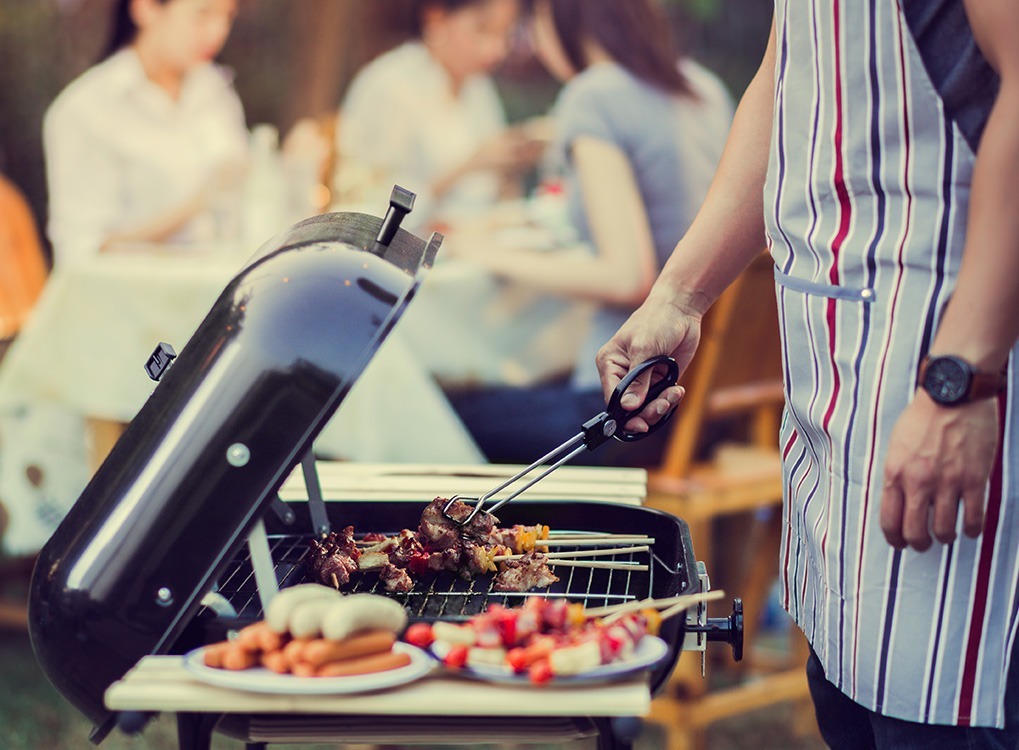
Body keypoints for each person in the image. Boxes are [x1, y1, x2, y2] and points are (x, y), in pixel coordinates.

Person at [597, 1, 1019, 746]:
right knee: (846, 698)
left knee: (934, 716)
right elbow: (786, 74)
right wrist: (679, 294)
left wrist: (963, 377)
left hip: (943, 360)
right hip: (836, 387)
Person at [444, 0, 733, 466]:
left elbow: (627, 276)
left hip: (624, 409)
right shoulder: (704, 89)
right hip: (704, 407)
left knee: (439, 408)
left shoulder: (594, 95)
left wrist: (483, 252)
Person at [43, 0, 248, 267]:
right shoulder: (86, 110)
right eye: (202, 14)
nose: (218, 31)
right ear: (146, 8)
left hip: (228, 291)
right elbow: (81, 256)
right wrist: (198, 203)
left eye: (228, 17)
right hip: (139, 303)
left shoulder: (214, 90)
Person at [334, 0, 544, 228]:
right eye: (483, 29)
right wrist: (470, 165)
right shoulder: (389, 85)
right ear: (437, 19)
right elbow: (366, 206)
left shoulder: (479, 88)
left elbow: (495, 195)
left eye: (506, 35)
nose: (497, 49)